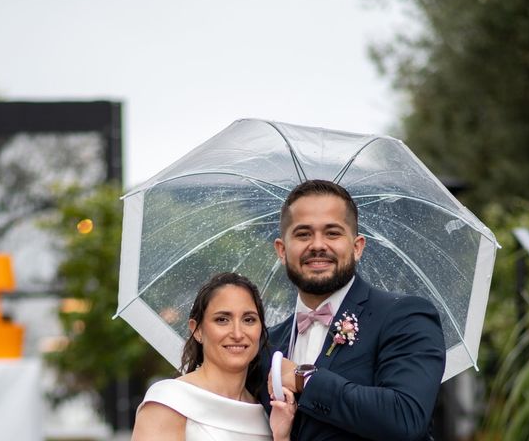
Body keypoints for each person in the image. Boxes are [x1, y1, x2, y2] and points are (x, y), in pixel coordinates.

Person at [261, 180, 446, 440]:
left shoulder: (405, 316)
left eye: (332, 233)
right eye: (303, 234)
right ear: (282, 250)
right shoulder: (269, 344)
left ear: (357, 246)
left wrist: (306, 380)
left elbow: (406, 417)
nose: (317, 245)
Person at [132, 272, 296, 441]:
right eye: (222, 320)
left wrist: (281, 437)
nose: (238, 334)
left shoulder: (267, 415)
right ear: (197, 330)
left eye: (248, 320)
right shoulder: (169, 402)